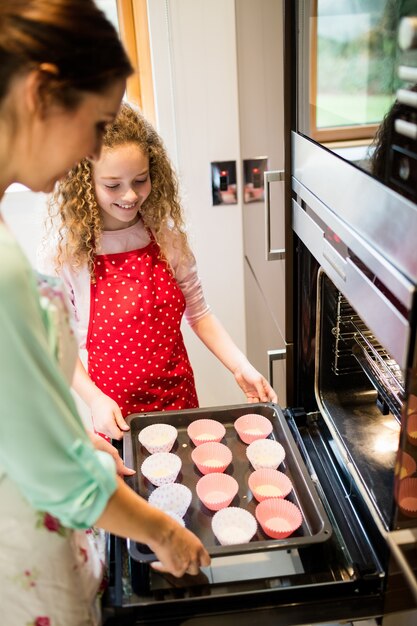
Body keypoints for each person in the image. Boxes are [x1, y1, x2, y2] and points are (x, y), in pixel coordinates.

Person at [0, 2, 210, 625]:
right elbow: (47, 469)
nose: (96, 151)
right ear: (41, 93)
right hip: (29, 560)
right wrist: (164, 533)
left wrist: (74, 430)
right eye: (95, 124)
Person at [40, 102, 278, 440]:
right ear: (84, 183)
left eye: (140, 180)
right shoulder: (69, 258)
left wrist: (241, 366)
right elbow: (58, 344)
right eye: (112, 185)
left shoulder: (167, 240)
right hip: (116, 413)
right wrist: (93, 400)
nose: (130, 195)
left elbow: (200, 314)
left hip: (177, 400)